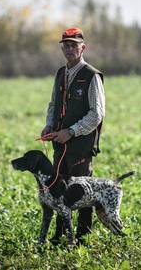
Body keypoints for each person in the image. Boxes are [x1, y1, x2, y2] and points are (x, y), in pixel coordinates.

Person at [41, 27, 105, 245]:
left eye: (73, 45)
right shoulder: (61, 73)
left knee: (82, 192)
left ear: (83, 47)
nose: (69, 49)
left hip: (81, 146)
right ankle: (60, 236)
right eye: (65, 45)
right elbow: (53, 104)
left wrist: (71, 131)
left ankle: (83, 237)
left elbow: (97, 114)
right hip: (60, 144)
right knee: (59, 190)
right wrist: (49, 125)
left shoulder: (91, 76)